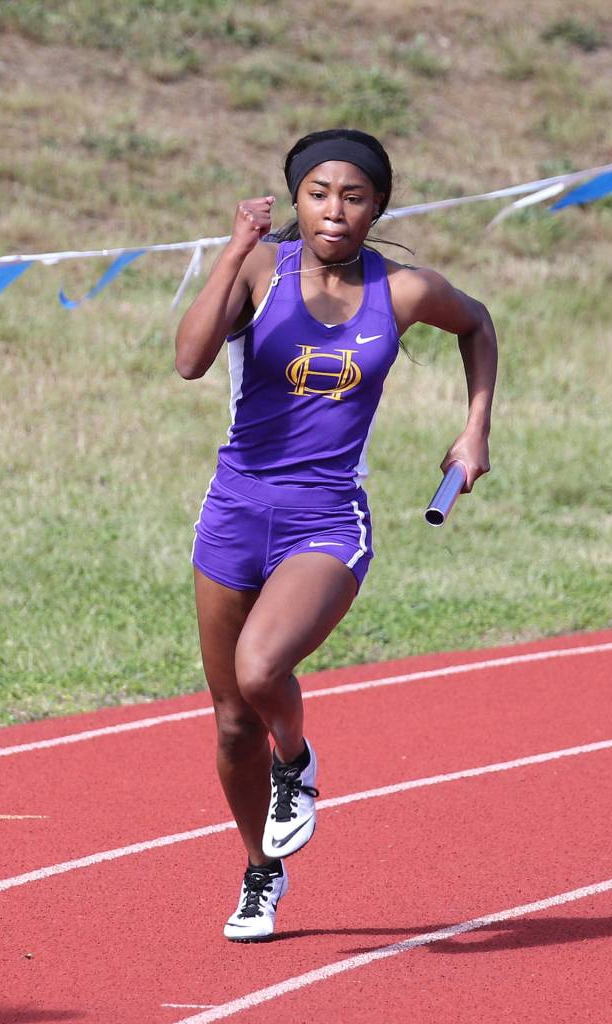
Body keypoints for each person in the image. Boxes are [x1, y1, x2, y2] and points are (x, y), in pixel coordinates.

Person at [174, 128, 497, 942]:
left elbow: (477, 323)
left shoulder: (406, 292)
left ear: (377, 205)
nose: (334, 209)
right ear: (296, 199)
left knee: (261, 668)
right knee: (230, 721)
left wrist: (474, 431)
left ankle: (297, 763)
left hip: (325, 515)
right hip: (234, 510)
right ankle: (258, 872)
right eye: (318, 192)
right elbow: (188, 360)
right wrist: (233, 248)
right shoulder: (259, 267)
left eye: (353, 195)